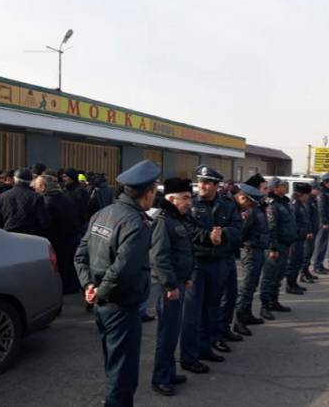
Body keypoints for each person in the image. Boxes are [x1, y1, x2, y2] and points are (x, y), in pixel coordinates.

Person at [74, 159, 160, 407]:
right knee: (122, 373)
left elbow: (80, 255)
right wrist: (98, 290)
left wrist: (88, 286)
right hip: (121, 306)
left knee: (113, 364)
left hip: (102, 304)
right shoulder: (137, 223)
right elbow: (123, 271)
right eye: (154, 191)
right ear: (149, 193)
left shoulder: (103, 213)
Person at [180, 165, 241, 372]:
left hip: (219, 263)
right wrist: (208, 237)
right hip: (196, 264)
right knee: (192, 313)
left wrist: (223, 234)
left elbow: (237, 229)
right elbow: (187, 229)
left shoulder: (227, 205)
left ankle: (205, 348)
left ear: (216, 185)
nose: (202, 186)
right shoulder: (191, 203)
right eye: (200, 181)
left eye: (206, 182)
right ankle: (189, 357)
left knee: (211, 309)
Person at [149, 178, 194, 396]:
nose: (190, 201)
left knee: (173, 330)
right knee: (166, 333)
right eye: (185, 198)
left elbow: (183, 252)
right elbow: (159, 257)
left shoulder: (179, 218)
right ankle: (160, 378)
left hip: (177, 282)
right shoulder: (163, 220)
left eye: (190, 197)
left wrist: (185, 276)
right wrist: (169, 284)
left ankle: (169, 371)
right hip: (168, 286)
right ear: (171, 199)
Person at [218, 183, 262, 342]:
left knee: (230, 295)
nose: (248, 209)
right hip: (220, 256)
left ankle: (225, 329)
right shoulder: (226, 207)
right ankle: (219, 333)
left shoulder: (234, 207)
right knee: (223, 298)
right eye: (249, 204)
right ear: (242, 198)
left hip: (228, 255)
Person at [33, 174, 83, 294]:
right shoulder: (65, 196)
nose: (34, 189)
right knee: (70, 265)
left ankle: (65, 288)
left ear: (43, 187)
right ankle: (72, 286)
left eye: (36, 186)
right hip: (72, 235)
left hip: (59, 238)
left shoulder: (47, 201)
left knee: (62, 265)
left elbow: (48, 223)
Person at [234, 174, 270, 331]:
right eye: (264, 188)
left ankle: (247, 314)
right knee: (246, 287)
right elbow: (242, 232)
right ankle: (239, 320)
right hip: (250, 250)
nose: (266, 192)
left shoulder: (258, 206)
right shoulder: (250, 210)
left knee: (252, 285)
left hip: (258, 249)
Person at [259, 177, 297, 318]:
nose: (285, 187)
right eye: (282, 185)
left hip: (285, 244)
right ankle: (265, 306)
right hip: (276, 245)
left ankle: (274, 301)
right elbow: (271, 227)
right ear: (275, 188)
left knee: (279, 275)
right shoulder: (272, 204)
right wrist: (273, 248)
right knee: (269, 277)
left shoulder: (284, 202)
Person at [0, 168, 50, 236]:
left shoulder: (1, 197)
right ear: (31, 181)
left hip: (8, 237)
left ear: (14, 179)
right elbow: (44, 222)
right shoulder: (36, 197)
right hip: (30, 238)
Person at [286, 183, 313, 294]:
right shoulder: (294, 205)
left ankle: (294, 283)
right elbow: (292, 223)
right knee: (293, 262)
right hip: (295, 239)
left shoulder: (300, 204)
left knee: (298, 262)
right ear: (302, 194)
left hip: (301, 238)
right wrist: (299, 233)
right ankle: (290, 285)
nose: (308, 197)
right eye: (307, 195)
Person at [312, 173, 329, 275]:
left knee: (324, 244)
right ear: (327, 181)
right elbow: (321, 209)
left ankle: (320, 264)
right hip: (323, 223)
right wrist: (324, 222)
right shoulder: (322, 192)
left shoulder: (328, 192)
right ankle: (317, 266)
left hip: (328, 221)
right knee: (320, 244)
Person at [300, 186, 320, 283]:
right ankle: (303, 274)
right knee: (306, 253)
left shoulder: (313, 200)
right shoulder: (308, 201)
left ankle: (306, 271)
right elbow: (306, 217)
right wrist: (308, 231)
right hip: (309, 232)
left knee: (310, 252)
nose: (318, 191)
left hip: (313, 230)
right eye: (316, 189)